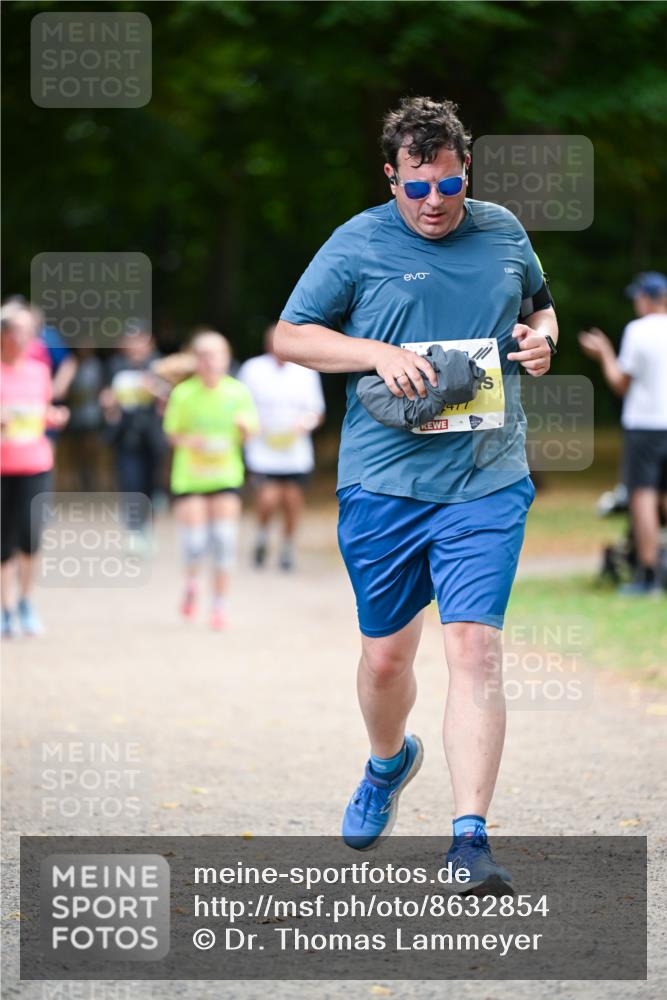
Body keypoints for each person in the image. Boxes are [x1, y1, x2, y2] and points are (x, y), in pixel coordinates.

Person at [275, 96, 558, 892]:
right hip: (383, 481)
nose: (433, 202)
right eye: (415, 187)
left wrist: (542, 342)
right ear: (391, 178)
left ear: (465, 172)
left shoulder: (502, 230)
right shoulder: (357, 241)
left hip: (486, 477)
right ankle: (385, 762)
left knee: (472, 648)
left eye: (447, 185)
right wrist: (373, 352)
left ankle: (469, 841)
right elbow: (289, 336)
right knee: (386, 657)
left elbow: (540, 308)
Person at [162, 331, 258, 630]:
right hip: (191, 477)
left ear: (226, 358)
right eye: (203, 355)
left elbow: (252, 431)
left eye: (216, 355)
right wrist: (193, 441)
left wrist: (244, 429)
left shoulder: (238, 392)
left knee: (224, 541)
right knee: (195, 542)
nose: (210, 361)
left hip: (225, 474)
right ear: (196, 360)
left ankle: (219, 605)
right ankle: (191, 583)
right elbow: (172, 434)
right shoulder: (183, 394)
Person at [579, 271, 667, 595]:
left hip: (645, 425)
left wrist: (603, 352)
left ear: (646, 299)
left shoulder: (638, 331)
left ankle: (648, 576)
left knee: (642, 497)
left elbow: (620, 383)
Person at [1, 300, 69, 637]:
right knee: (2, 543)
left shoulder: (39, 372)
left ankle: (26, 602)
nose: (26, 338)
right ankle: (5, 608)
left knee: (30, 537)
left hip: (35, 464)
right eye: (18, 331)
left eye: (30, 332)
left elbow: (43, 411)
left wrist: (54, 416)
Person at [238, 323, 325, 570]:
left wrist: (303, 425)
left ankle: (287, 544)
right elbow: (241, 404)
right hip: (263, 448)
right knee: (268, 498)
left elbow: (316, 411)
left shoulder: (306, 371)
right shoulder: (253, 369)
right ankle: (263, 535)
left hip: (294, 449)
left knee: (292, 500)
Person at [100, 326, 166, 548]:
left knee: (150, 484)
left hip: (152, 434)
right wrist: (109, 404)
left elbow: (172, 399)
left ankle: (147, 527)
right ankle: (134, 532)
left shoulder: (160, 366)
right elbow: (107, 398)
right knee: (130, 482)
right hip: (125, 435)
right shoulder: (115, 366)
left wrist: (157, 392)